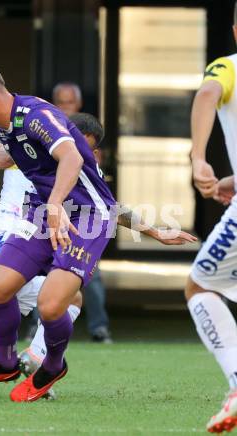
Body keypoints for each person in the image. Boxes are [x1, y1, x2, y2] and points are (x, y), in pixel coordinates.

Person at [0, 112, 194, 401]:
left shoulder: (83, 170)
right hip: (4, 234)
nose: (78, 153)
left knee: (71, 300)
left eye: (88, 149)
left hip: (34, 242)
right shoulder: (31, 148)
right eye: (76, 145)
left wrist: (153, 230)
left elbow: (111, 208)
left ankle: (36, 358)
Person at [0, 62, 196, 402]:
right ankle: (5, 363)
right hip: (42, 215)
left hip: (86, 221)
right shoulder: (10, 128)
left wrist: (154, 231)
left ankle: (52, 366)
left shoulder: (46, 127)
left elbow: (93, 186)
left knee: (52, 307)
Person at [185, 6, 237, 432]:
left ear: (235, 30)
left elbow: (206, 95)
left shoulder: (228, 66)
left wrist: (198, 157)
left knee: (200, 285)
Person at [53, 83, 113, 344]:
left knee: (91, 275)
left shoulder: (86, 139)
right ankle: (40, 328)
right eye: (61, 102)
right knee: (42, 272)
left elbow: (109, 204)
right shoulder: (46, 134)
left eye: (70, 102)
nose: (65, 106)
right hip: (51, 215)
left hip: (85, 217)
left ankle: (99, 328)